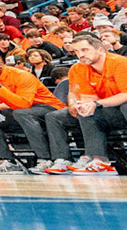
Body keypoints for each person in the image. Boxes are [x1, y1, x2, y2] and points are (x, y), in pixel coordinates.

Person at [49, 30, 127, 173]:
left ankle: (95, 156)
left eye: (85, 50)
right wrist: (77, 104)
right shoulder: (78, 68)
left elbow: (125, 94)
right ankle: (94, 159)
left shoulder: (120, 63)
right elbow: (84, 96)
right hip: (106, 109)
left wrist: (96, 104)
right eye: (77, 51)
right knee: (74, 113)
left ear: (101, 49)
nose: (81, 55)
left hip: (121, 105)